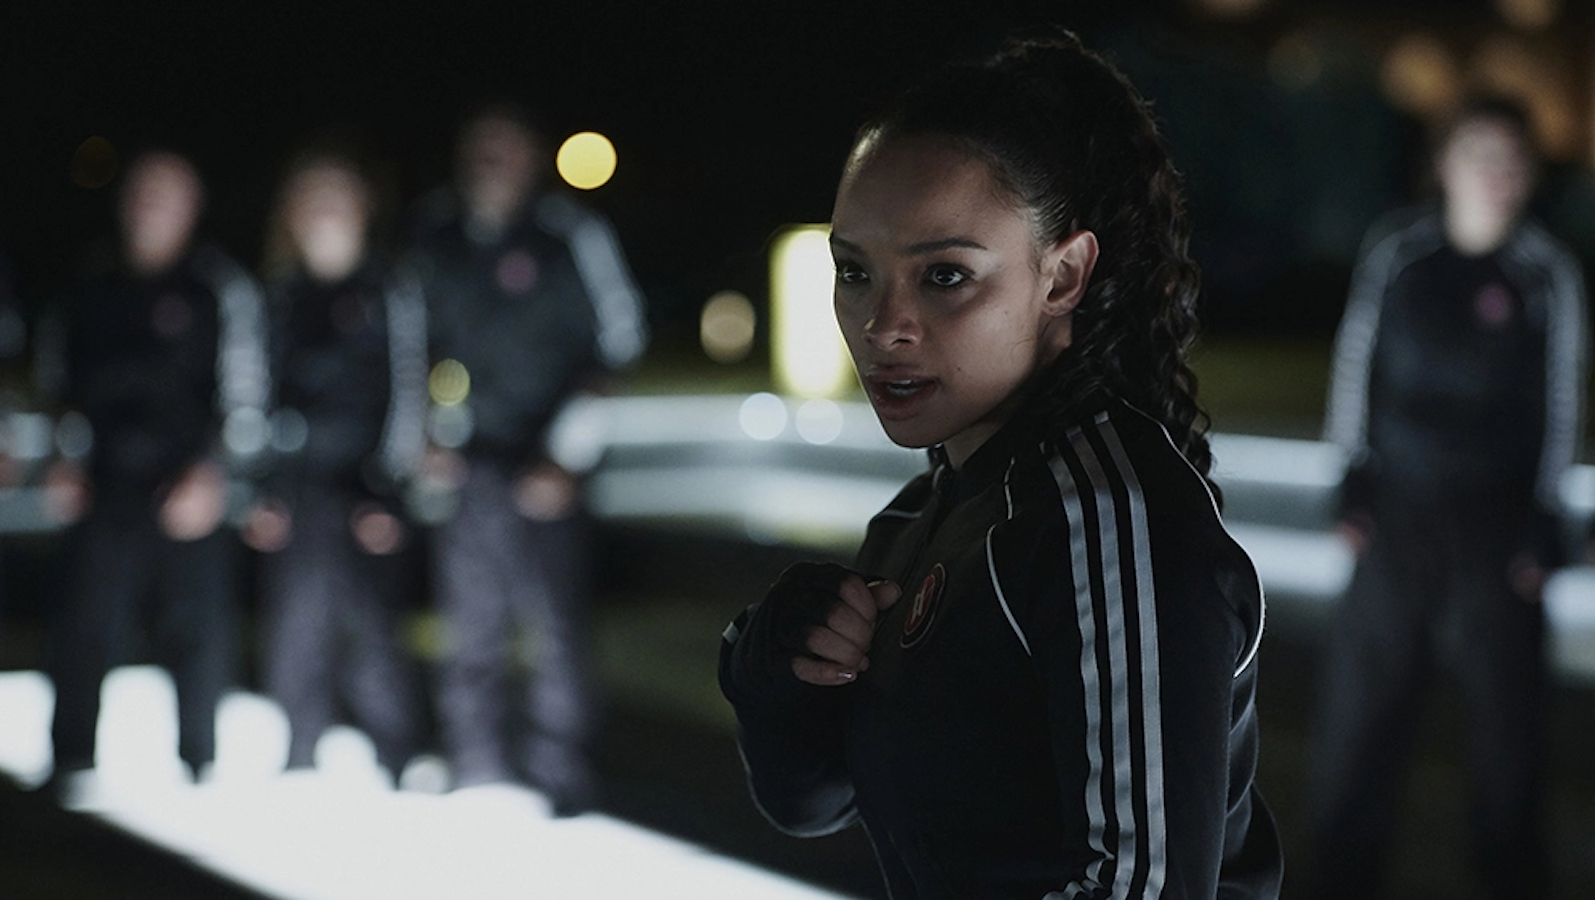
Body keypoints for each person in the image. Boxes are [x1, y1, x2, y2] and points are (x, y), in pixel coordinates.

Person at [718, 34, 1283, 899]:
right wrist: (778, 667)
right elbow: (813, 801)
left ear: (1062, 275)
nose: (882, 325)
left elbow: (1142, 889)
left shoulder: (1105, 518)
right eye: (854, 271)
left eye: (944, 275)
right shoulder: (921, 516)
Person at [1313, 95, 1588, 899]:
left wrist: (1542, 524)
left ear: (1529, 175)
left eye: (1511, 161)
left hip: (1496, 531)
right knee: (1355, 746)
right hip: (1397, 515)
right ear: (1444, 164)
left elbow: (1561, 403)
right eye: (1478, 155)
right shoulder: (1398, 251)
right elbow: (1353, 365)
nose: (1495, 176)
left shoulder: (1546, 271)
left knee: (1508, 763)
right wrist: (1351, 485)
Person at [408, 103, 648, 812]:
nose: (490, 159)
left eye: (506, 147)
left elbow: (617, 343)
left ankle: (559, 771)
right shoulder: (433, 233)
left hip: (548, 467)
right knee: (468, 621)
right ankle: (473, 758)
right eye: (478, 145)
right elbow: (408, 342)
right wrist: (424, 435)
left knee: (553, 627)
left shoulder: (569, 233)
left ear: (533, 156)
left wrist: (566, 457)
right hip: (465, 462)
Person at [36, 150, 270, 791]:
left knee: (197, 636)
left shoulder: (218, 286)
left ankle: (199, 764)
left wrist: (215, 474)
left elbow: (247, 394)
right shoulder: (89, 283)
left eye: (168, 195)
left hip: (188, 488)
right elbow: (58, 384)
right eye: (142, 192)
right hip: (104, 484)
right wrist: (62, 461)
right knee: (82, 629)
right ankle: (69, 765)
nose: (150, 208)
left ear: (193, 206)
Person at [246, 147, 428, 784]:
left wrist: (390, 490)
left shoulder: (390, 291)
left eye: (337, 197)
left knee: (375, 634)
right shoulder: (276, 297)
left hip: (366, 492)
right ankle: (299, 752)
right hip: (296, 491)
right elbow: (254, 392)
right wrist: (260, 489)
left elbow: (410, 393)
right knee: (295, 630)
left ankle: (398, 755)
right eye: (310, 198)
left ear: (362, 208)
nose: (324, 212)